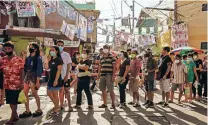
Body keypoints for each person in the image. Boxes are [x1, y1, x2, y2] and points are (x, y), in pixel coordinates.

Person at [0, 43, 24, 124]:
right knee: (10, 101)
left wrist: (22, 82)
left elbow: (22, 71)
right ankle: (16, 115)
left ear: (12, 49)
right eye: (5, 49)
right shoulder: (3, 59)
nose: (7, 50)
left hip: (16, 84)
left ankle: (12, 118)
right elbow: (2, 70)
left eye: (9, 49)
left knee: (14, 102)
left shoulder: (18, 59)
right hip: (7, 83)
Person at [19, 43, 43, 118]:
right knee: (25, 93)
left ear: (36, 49)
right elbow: (24, 67)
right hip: (27, 77)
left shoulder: (38, 58)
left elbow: (39, 70)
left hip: (34, 77)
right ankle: (27, 110)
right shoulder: (28, 58)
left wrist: (38, 81)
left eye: (31, 47)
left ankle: (39, 109)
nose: (30, 48)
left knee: (34, 93)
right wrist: (24, 57)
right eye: (29, 47)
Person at [56, 40, 73, 112]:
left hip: (65, 76)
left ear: (63, 46)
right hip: (57, 77)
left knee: (67, 91)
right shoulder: (54, 55)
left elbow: (69, 65)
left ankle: (69, 106)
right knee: (59, 91)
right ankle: (61, 105)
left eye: (61, 45)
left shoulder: (66, 54)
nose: (60, 46)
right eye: (58, 45)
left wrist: (66, 75)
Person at [98, 45, 116, 109]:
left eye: (106, 48)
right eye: (104, 48)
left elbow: (114, 67)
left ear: (109, 49)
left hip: (109, 75)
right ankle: (105, 103)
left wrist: (113, 76)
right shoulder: (101, 57)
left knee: (111, 89)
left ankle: (113, 104)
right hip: (102, 75)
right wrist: (98, 74)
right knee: (103, 89)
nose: (105, 49)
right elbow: (100, 67)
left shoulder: (112, 57)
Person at [47, 46, 63, 116]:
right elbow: (47, 68)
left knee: (55, 94)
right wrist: (47, 60)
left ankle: (56, 109)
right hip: (50, 79)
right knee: (48, 93)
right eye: (50, 50)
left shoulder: (59, 60)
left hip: (56, 79)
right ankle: (57, 106)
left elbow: (59, 70)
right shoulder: (51, 60)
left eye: (53, 50)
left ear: (56, 51)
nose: (51, 51)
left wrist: (56, 80)